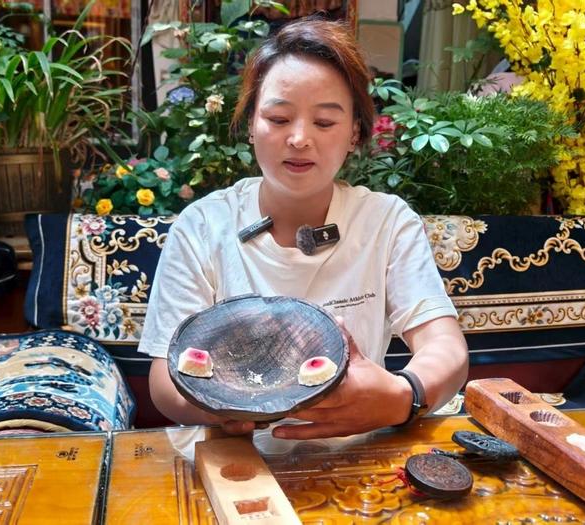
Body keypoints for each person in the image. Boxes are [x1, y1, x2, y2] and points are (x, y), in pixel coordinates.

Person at [138, 18, 468, 439]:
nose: (298, 139)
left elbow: (445, 346)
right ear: (251, 126)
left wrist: (404, 396)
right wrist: (229, 406)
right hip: (232, 459)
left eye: (324, 123)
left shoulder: (386, 222)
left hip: (354, 458)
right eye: (278, 118)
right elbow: (165, 378)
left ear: (354, 133)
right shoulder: (203, 226)